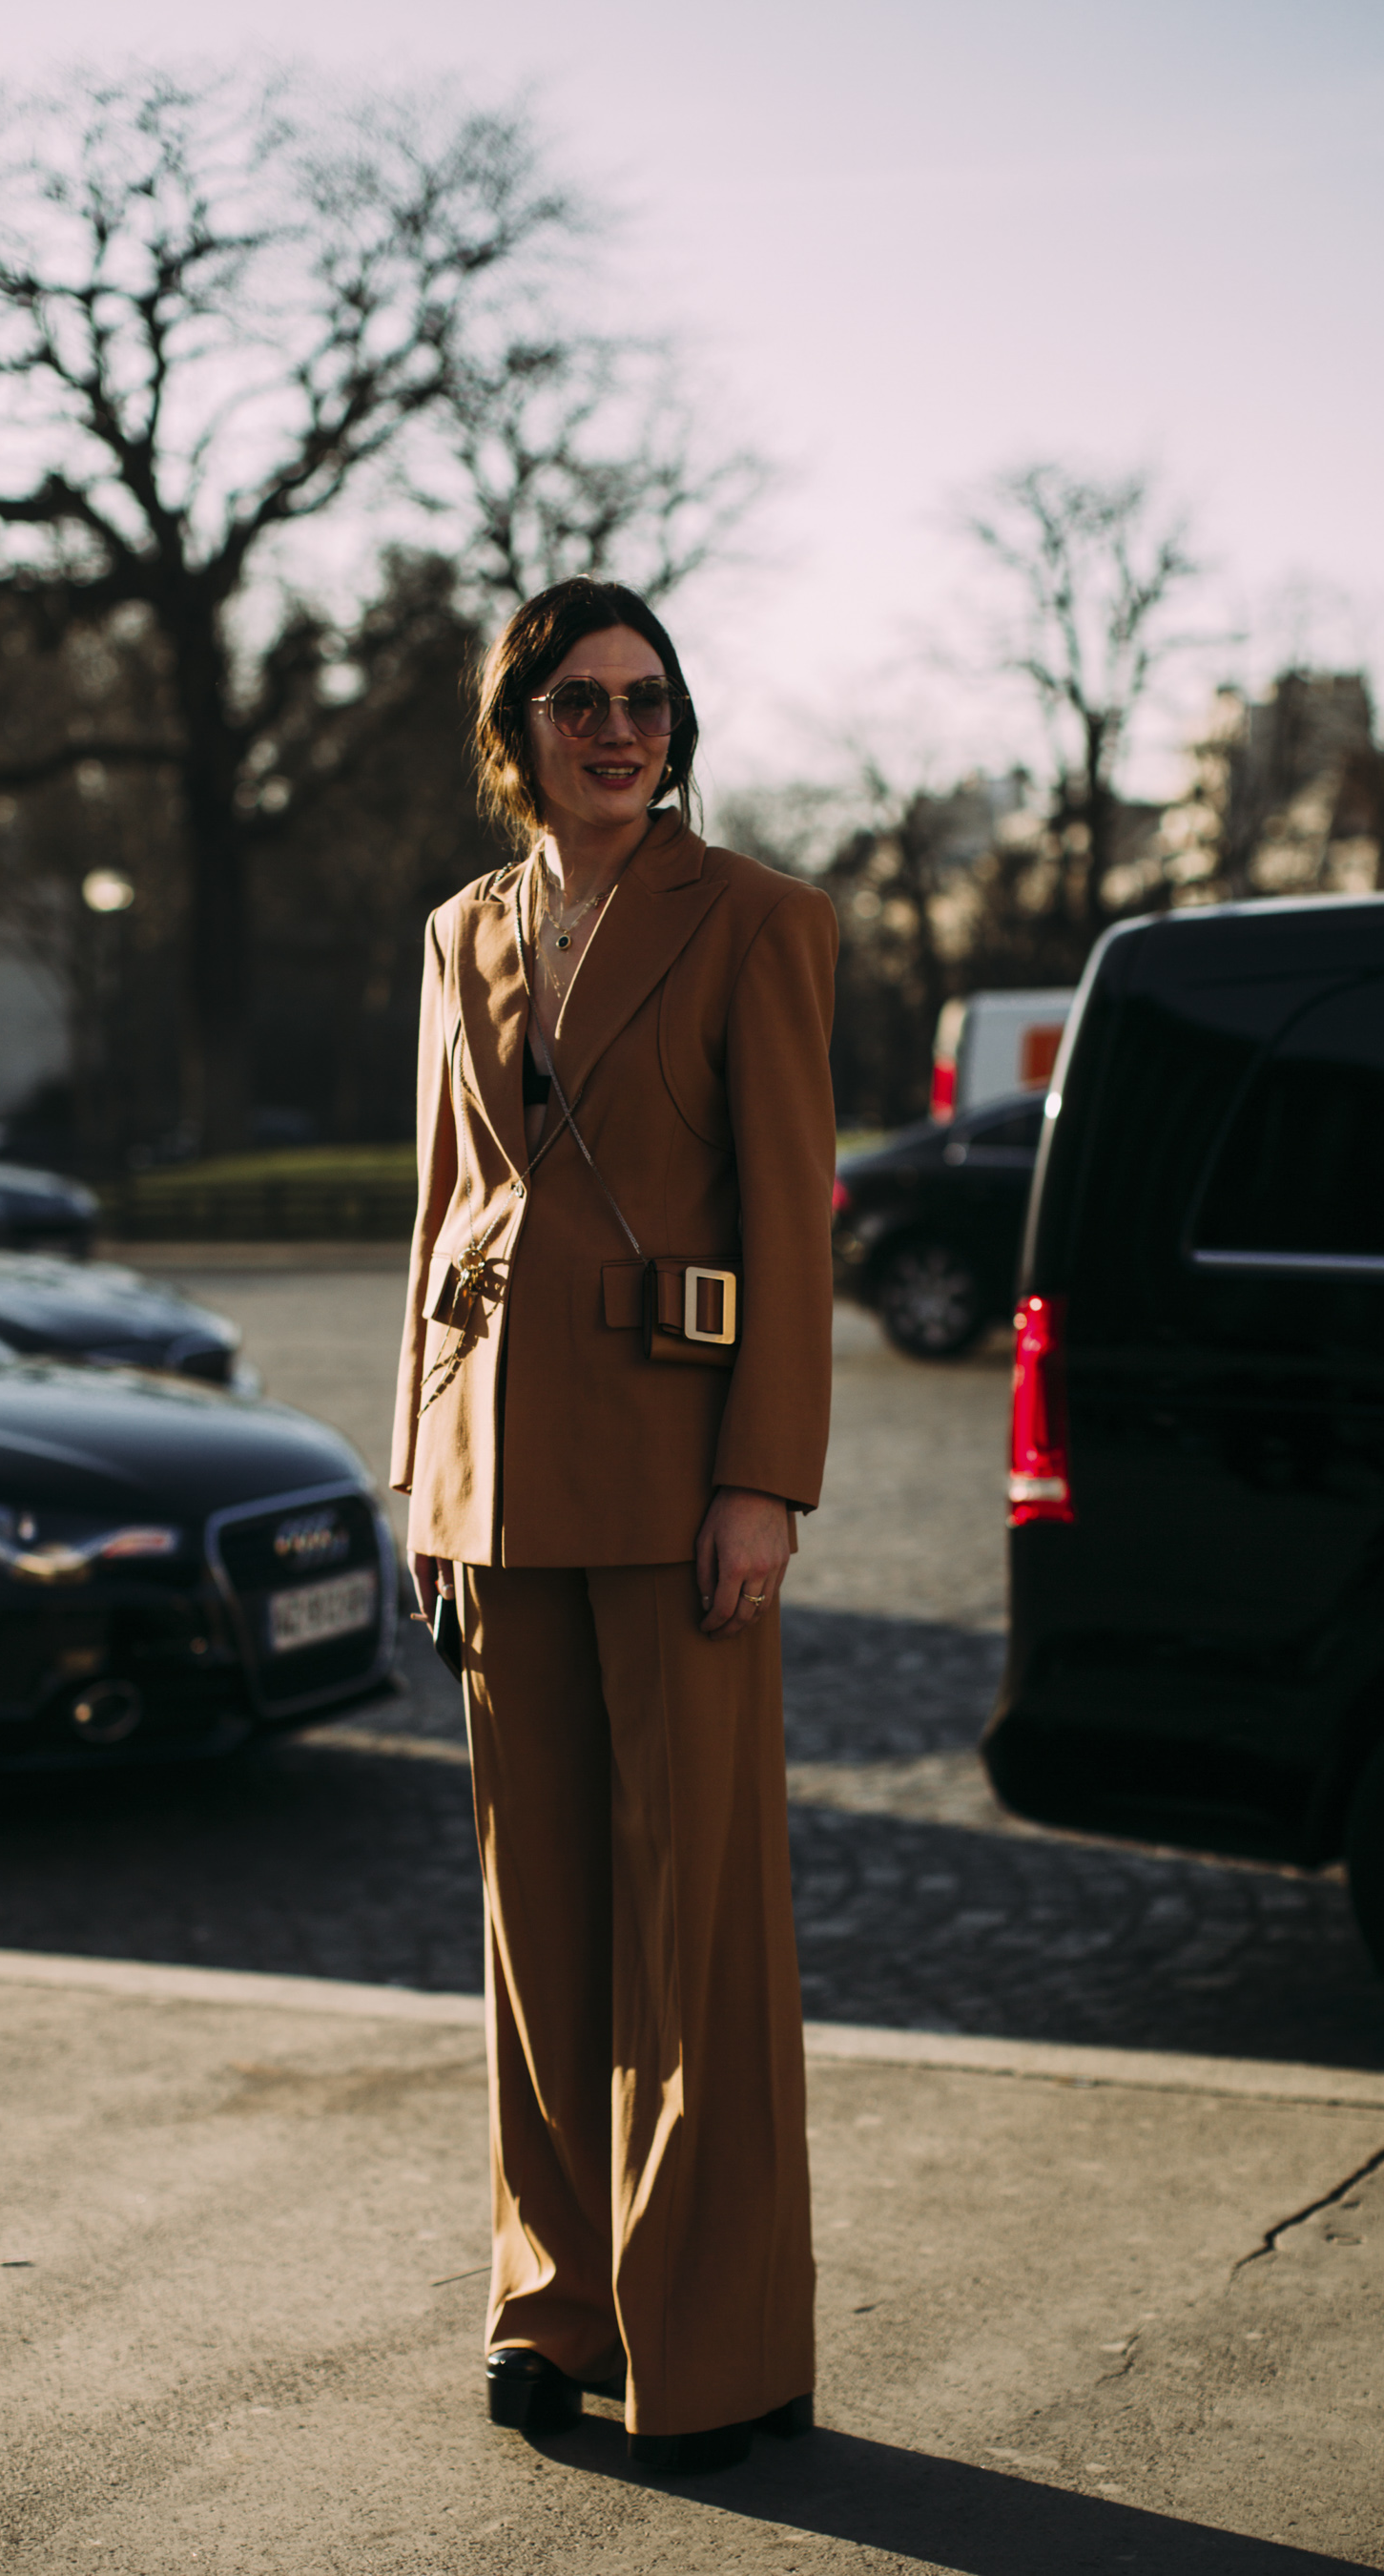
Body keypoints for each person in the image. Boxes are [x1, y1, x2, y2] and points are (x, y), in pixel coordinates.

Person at [391, 576, 837, 2476]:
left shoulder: (756, 924)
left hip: (678, 1488)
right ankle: (554, 2307)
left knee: (696, 1930)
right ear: (519, 731)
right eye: (580, 699)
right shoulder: (460, 931)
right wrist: (426, 1473)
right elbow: (438, 1223)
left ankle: (718, 2348)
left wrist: (765, 1481)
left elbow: (792, 1223)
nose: (621, 727)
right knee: (536, 1923)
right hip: (504, 1486)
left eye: (649, 698)